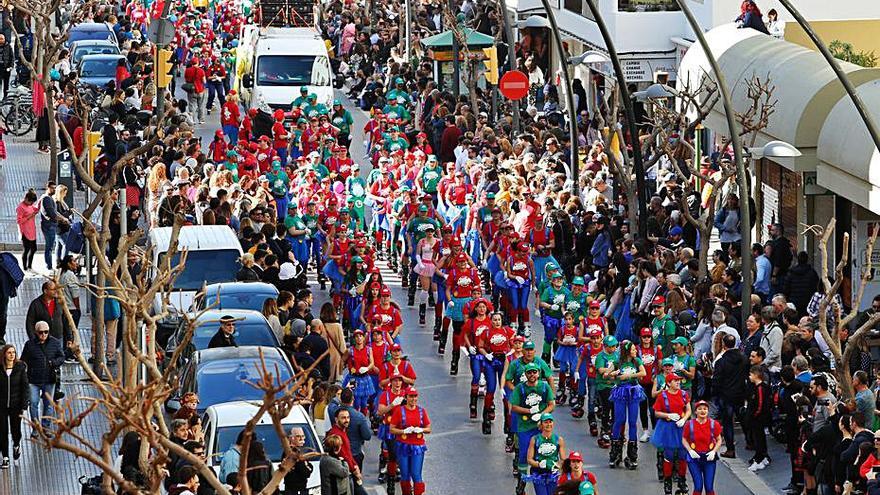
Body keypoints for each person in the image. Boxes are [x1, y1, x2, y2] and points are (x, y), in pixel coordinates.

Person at [510, 362, 555, 495]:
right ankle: (522, 482)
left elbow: (551, 404)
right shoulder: (520, 388)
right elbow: (514, 407)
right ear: (526, 374)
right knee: (523, 455)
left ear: (538, 373)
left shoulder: (545, 387)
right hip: (524, 427)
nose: (532, 375)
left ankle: (542, 481)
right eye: (529, 372)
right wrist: (529, 411)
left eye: (534, 372)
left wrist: (541, 415)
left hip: (540, 427)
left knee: (542, 453)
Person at [20, 321, 64, 434]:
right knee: (33, 404)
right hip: (33, 380)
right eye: (41, 332)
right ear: (36, 332)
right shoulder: (29, 345)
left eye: (46, 332)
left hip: (49, 380)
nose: (43, 334)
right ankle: (36, 428)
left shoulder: (55, 343)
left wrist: (53, 363)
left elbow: (61, 357)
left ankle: (46, 427)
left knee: (48, 405)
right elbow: (23, 360)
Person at [609, 340, 646, 470]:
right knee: (619, 420)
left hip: (633, 391)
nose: (635, 351)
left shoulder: (637, 361)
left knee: (632, 421)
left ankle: (632, 453)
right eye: (633, 349)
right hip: (620, 392)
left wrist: (628, 376)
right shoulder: (617, 362)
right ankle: (615, 451)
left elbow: (643, 373)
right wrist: (612, 374)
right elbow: (608, 375)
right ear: (627, 350)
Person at [651, 373, 691, 495]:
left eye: (678, 381)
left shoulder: (684, 394)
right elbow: (656, 412)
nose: (678, 382)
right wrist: (668, 415)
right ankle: (667, 482)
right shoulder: (662, 396)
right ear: (668, 383)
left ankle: (682, 480)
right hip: (668, 428)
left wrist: (684, 419)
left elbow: (688, 410)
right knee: (668, 456)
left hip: (681, 427)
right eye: (675, 381)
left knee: (683, 455)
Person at [389, 387, 431, 495]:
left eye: (415, 396)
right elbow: (392, 429)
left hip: (417, 447)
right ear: (406, 397)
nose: (413, 399)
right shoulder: (399, 411)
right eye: (411, 396)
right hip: (403, 446)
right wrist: (403, 431)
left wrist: (421, 429)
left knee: (416, 474)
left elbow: (428, 428)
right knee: (405, 475)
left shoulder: (422, 411)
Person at [712, 334, 746, 458]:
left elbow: (717, 379)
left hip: (726, 395)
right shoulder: (743, 358)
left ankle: (730, 448)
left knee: (728, 422)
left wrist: (714, 393)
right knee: (743, 418)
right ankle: (750, 441)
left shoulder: (722, 361)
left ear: (724, 345)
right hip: (740, 393)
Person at [681, 400, 722, 495]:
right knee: (698, 486)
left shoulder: (714, 424)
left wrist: (714, 452)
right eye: (699, 409)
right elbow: (684, 439)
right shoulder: (689, 425)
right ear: (695, 412)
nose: (702, 411)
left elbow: (719, 439)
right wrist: (690, 451)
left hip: (709, 458)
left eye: (705, 409)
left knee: (709, 487)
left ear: (708, 411)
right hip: (694, 459)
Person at [524, 413, 566, 495]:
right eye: (546, 422)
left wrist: (557, 465)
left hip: (553, 473)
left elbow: (563, 459)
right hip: (538, 473)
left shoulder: (559, 439)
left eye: (550, 422)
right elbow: (529, 459)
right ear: (541, 424)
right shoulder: (535, 439)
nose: (548, 424)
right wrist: (539, 464)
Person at [0, 344, 27, 468]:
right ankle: (5, 457)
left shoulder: (20, 367)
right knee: (2, 431)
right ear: (4, 354)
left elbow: (24, 387)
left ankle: (16, 445)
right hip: (1, 405)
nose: (12, 355)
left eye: (14, 352)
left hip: (16, 405)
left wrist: (24, 405)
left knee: (16, 429)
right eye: (9, 352)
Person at [744, 364, 772, 471]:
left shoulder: (760, 389)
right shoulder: (761, 387)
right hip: (759, 417)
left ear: (756, 375)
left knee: (758, 438)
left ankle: (759, 459)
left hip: (758, 419)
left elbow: (760, 405)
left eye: (751, 375)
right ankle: (763, 455)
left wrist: (754, 415)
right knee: (760, 437)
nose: (749, 377)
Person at [283, 427, 315, 495]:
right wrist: (309, 467)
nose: (301, 439)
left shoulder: (295, 451)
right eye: (298, 436)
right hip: (295, 490)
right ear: (291, 438)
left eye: (303, 436)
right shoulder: (294, 453)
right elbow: (306, 472)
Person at [16, 189, 39, 271]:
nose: (31, 204)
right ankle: (25, 267)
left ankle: (30, 266)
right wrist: (29, 216)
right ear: (26, 199)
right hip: (25, 231)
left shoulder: (30, 205)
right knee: (26, 250)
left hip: (32, 230)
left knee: (34, 249)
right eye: (31, 202)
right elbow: (19, 221)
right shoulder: (20, 207)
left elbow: (34, 209)